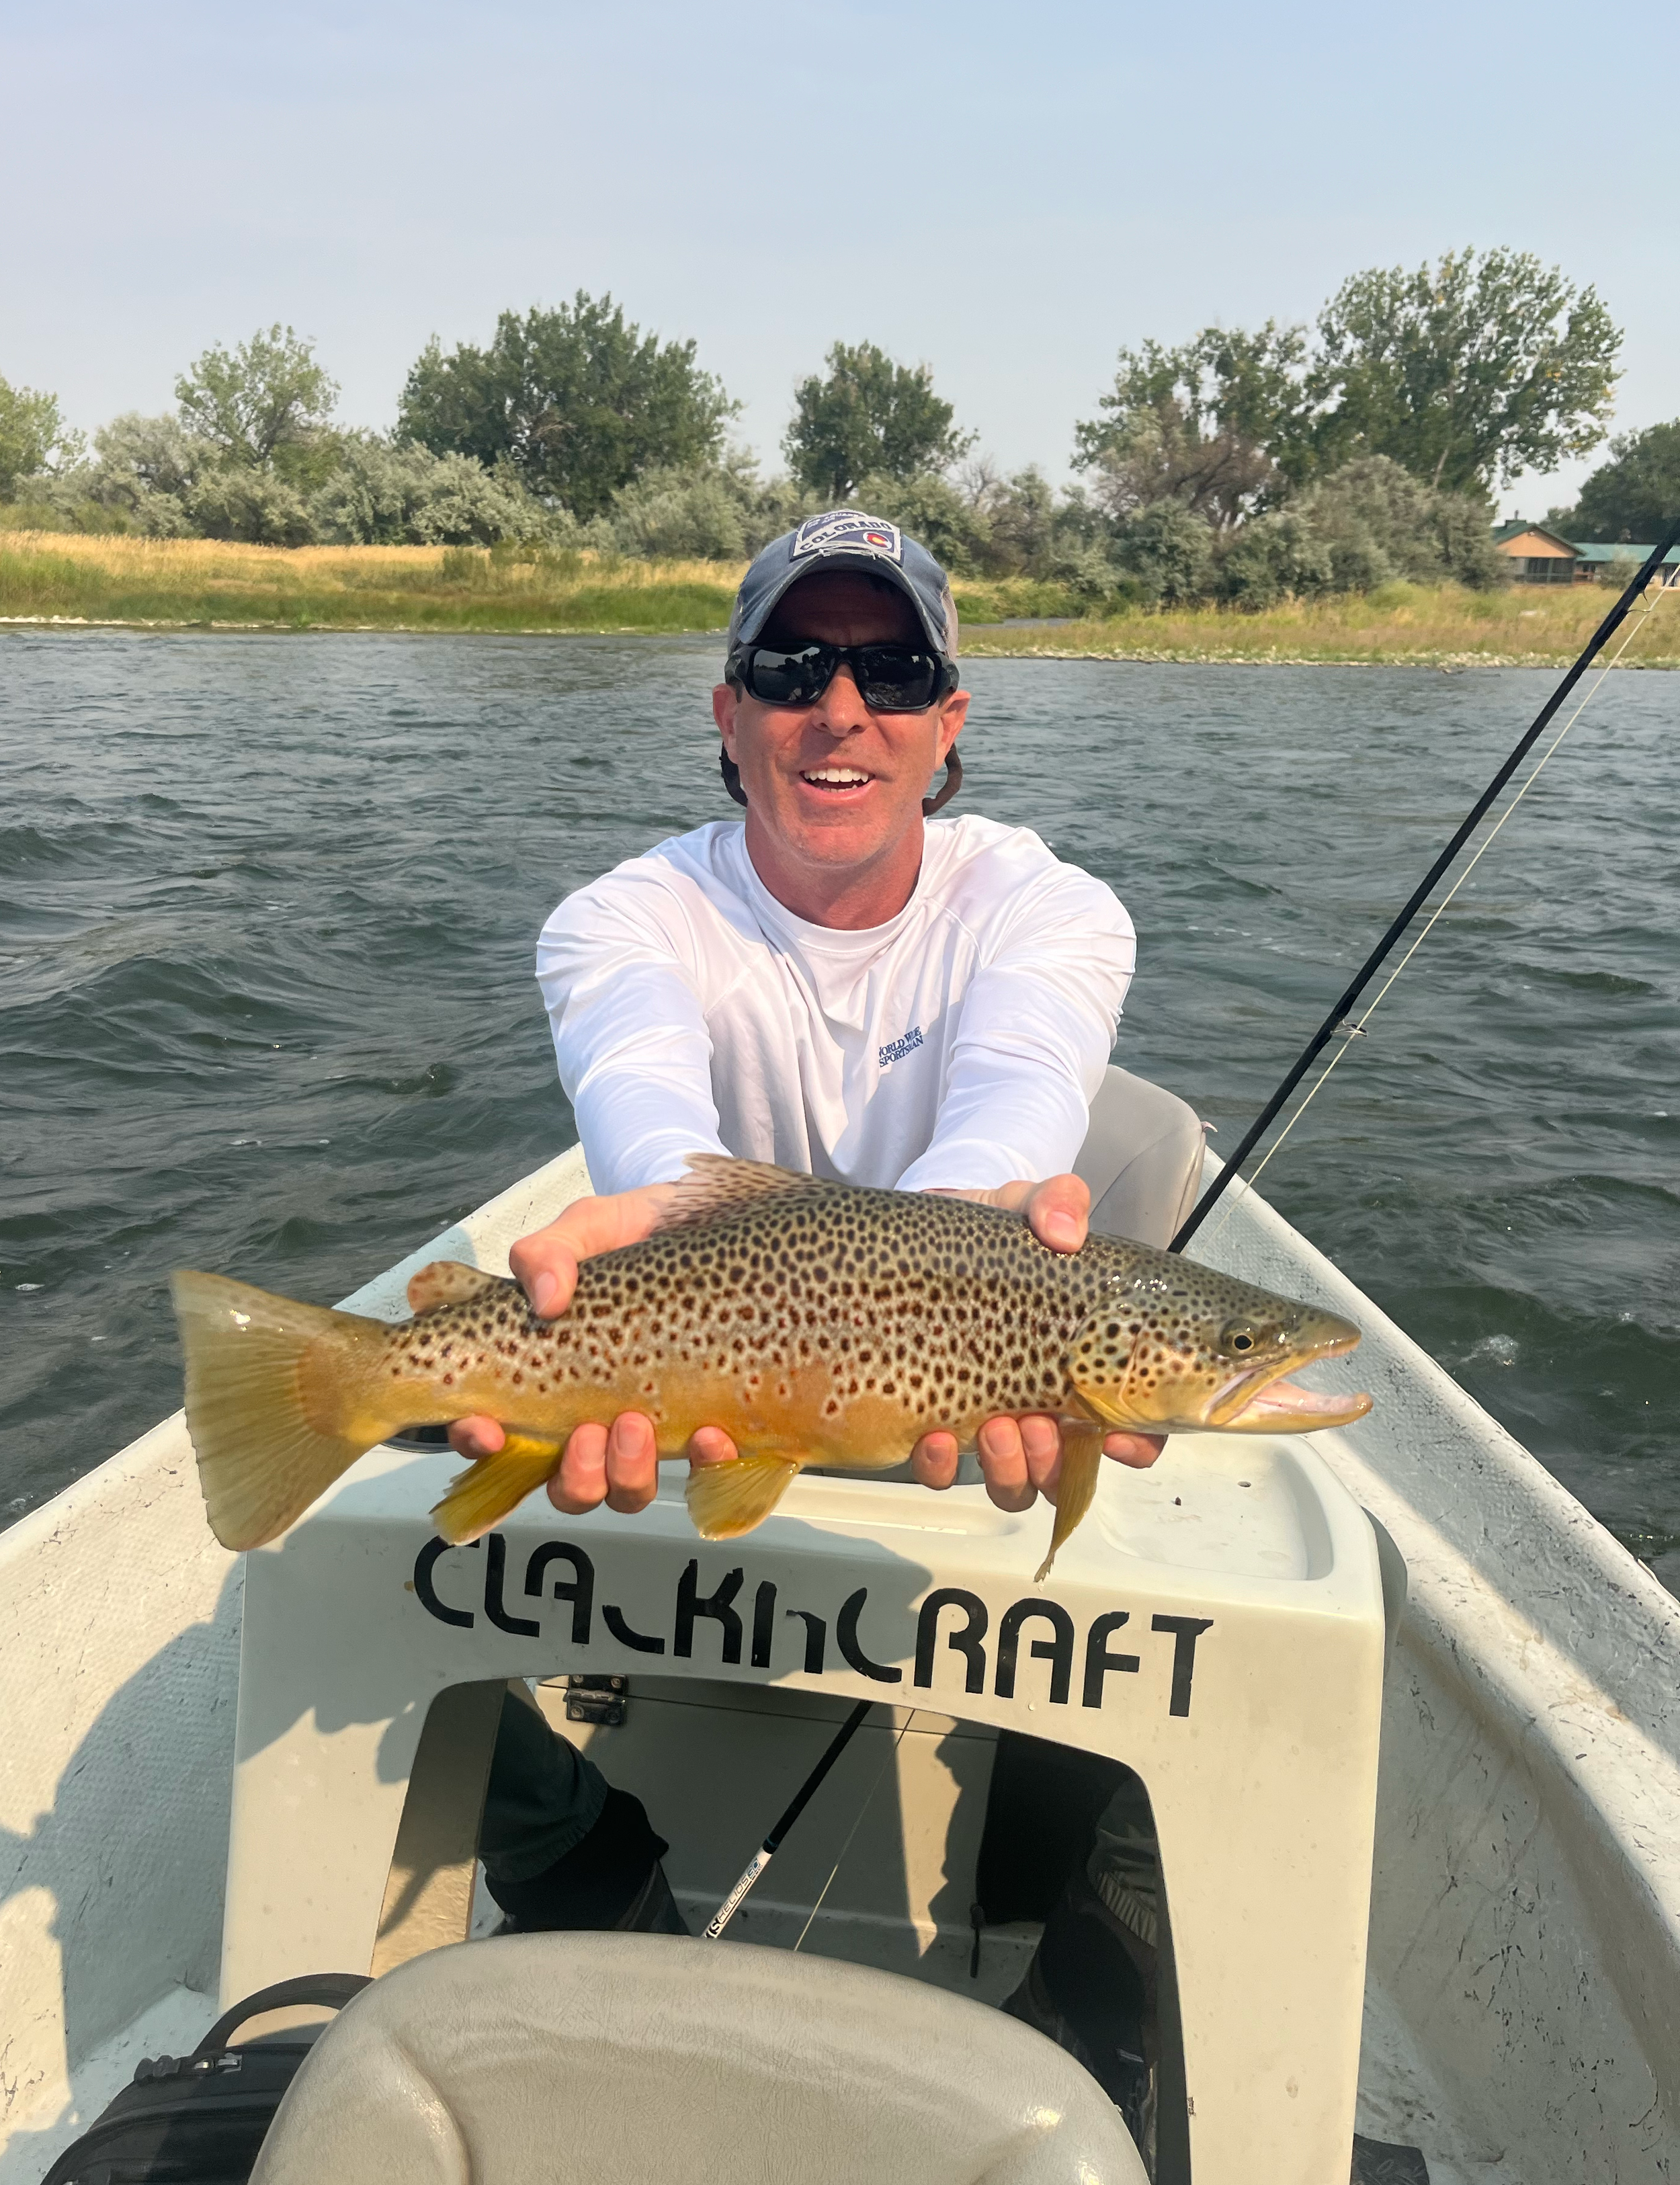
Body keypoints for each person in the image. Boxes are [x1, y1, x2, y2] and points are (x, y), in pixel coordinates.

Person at [456, 513, 1201, 2117]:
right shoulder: (619, 917)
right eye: (794, 664)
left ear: (949, 717)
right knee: (390, 1548)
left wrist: (975, 1254)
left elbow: (1018, 1096)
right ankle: (585, 1868)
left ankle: (1084, 1920)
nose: (839, 706)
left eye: (890, 666)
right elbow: (642, 1114)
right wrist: (656, 1221)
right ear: (727, 714)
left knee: (1153, 1240)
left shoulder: (1051, 906)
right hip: (718, 1369)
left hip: (968, 1369)